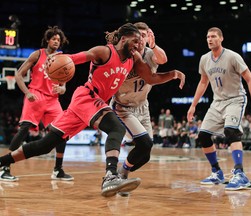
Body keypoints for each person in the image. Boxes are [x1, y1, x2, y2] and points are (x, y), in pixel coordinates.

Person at [0, 23, 185, 197]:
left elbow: (151, 78)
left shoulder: (134, 58)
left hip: (89, 105)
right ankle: (111, 177)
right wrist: (57, 59)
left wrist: (173, 74)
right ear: (123, 39)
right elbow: (78, 57)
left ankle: (3, 161)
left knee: (45, 145)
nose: (138, 45)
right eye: (135, 41)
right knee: (116, 128)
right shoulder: (104, 51)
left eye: (140, 41)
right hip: (87, 97)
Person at [109, 22, 185, 195]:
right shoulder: (125, 54)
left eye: (144, 36)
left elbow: (163, 59)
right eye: (138, 36)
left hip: (143, 106)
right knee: (145, 144)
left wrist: (154, 45)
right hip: (123, 107)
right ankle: (119, 175)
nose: (141, 39)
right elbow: (151, 78)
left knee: (146, 153)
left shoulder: (150, 53)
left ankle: (123, 172)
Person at [187, 27, 251, 190]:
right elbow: (203, 82)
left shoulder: (232, 56)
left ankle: (240, 174)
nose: (210, 39)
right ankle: (217, 172)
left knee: (231, 131)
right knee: (203, 136)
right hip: (217, 102)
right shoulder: (204, 59)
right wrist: (193, 104)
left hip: (235, 99)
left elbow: (250, 80)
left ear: (221, 38)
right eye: (208, 36)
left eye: (214, 36)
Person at [0, 26, 73, 182]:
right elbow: (19, 75)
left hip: (53, 100)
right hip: (36, 95)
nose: (56, 42)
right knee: (24, 130)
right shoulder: (37, 54)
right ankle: (4, 167)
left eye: (59, 40)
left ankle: (58, 169)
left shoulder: (62, 60)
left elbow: (64, 88)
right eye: (54, 39)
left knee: (63, 132)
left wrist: (60, 89)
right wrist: (27, 93)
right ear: (48, 40)